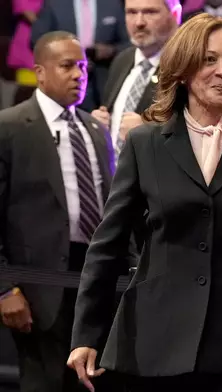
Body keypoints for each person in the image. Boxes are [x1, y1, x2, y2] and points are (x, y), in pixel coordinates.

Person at [66, 14, 222, 392]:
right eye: (209, 60)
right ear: (183, 70)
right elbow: (107, 245)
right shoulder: (146, 142)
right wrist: (85, 334)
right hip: (158, 337)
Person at [0, 31, 115, 392]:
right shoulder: (9, 127)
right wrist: (4, 289)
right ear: (40, 72)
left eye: (83, 66)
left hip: (97, 284)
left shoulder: (96, 130)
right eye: (68, 66)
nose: (79, 74)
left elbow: (112, 208)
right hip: (39, 291)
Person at [91, 0, 182, 157]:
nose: (139, 22)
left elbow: (202, 140)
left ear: (175, 15)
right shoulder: (122, 59)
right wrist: (98, 125)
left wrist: (149, 135)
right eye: (132, 12)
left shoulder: (189, 67)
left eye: (150, 12)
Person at [30, 0, 130, 111]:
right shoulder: (54, 3)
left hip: (104, 81)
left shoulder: (112, 3)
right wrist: (68, 56)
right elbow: (38, 41)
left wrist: (111, 50)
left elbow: (130, 43)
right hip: (64, 85)